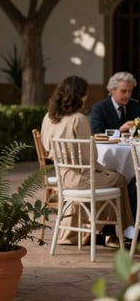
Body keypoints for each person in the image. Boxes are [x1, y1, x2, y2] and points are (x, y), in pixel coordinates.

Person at [41, 75, 134, 246]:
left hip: (62, 176)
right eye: (85, 95)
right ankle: (122, 233)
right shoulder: (78, 119)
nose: (86, 98)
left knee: (109, 177)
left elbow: (46, 147)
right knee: (119, 179)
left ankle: (93, 230)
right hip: (80, 179)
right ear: (79, 96)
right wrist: (104, 169)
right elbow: (89, 157)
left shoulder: (48, 117)